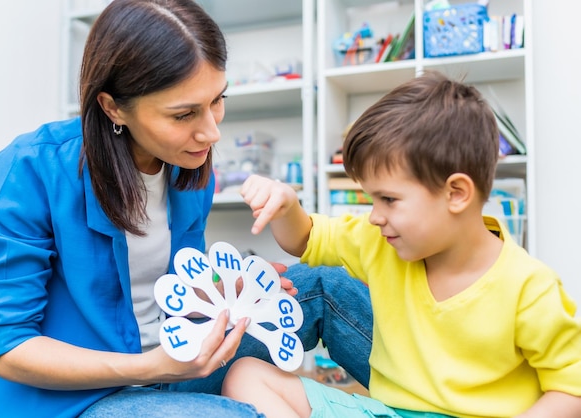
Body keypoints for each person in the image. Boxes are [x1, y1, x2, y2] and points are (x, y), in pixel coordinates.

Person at [0, 0, 374, 417]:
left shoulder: (188, 171)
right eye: (184, 114)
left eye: (217, 100)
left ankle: (430, 398)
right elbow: (9, 350)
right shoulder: (31, 169)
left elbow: (165, 290)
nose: (211, 131)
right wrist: (151, 365)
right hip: (66, 398)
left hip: (169, 359)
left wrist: (232, 287)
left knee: (322, 289)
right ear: (112, 106)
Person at [224, 71, 581, 417]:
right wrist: (286, 206)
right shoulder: (378, 240)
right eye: (372, 200)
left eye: (389, 200)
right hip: (387, 412)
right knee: (245, 375)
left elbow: (571, 389)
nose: (376, 216)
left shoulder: (529, 287)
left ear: (456, 193)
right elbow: (305, 239)